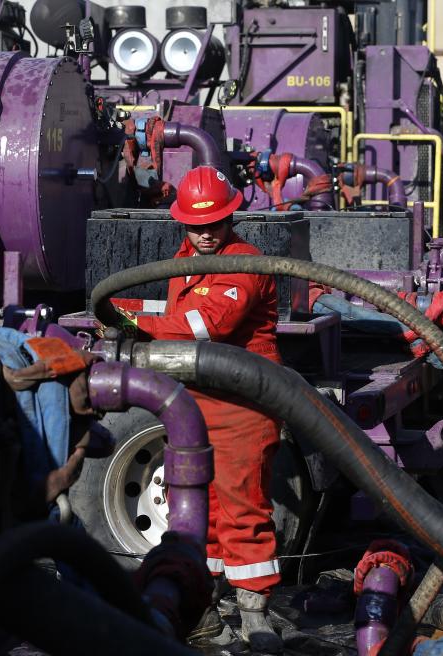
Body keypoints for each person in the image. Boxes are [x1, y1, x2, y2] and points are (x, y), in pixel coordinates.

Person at [117, 165, 284, 652]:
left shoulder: (245, 261)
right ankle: (203, 603)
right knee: (202, 512)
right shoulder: (184, 259)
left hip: (242, 405)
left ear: (231, 217)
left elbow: (204, 324)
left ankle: (255, 611)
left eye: (214, 224)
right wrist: (126, 313)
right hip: (195, 404)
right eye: (196, 224)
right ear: (182, 223)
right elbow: (174, 317)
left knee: (243, 506)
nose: (205, 233)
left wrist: (133, 321)